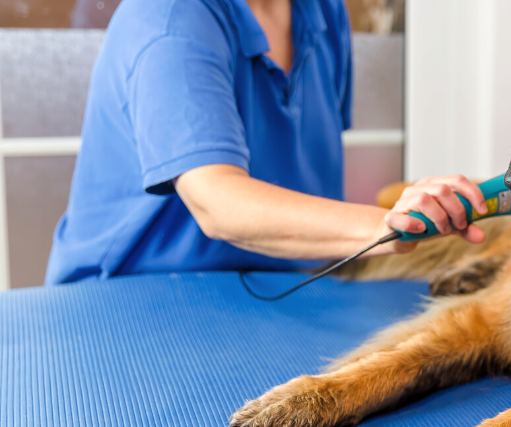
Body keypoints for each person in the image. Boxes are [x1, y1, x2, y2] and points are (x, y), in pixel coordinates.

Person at [45, 0, 487, 285]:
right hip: (132, 295)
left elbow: (304, 163)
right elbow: (218, 204)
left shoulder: (322, 12)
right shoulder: (170, 20)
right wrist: (384, 224)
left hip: (283, 288)